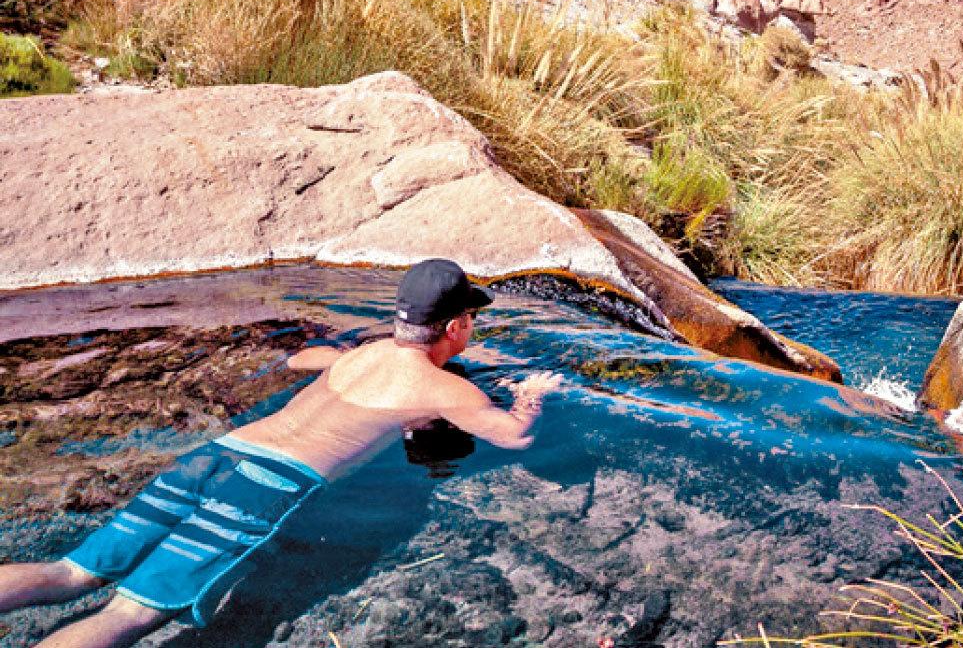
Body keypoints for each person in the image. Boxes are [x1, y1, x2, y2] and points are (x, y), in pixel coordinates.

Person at [0, 259, 562, 648]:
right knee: (129, 613)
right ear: (456, 325)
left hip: (216, 455)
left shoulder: (362, 354)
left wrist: (341, 354)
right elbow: (514, 437)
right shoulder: (446, 388)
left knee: (72, 571)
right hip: (267, 482)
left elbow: (300, 363)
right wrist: (534, 392)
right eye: (471, 321)